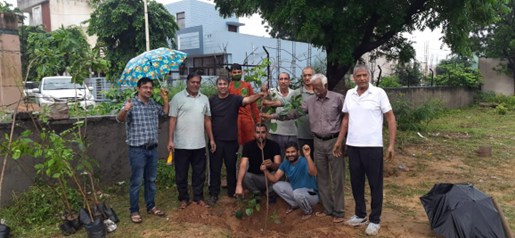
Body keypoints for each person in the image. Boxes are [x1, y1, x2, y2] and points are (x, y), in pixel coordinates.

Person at [261, 73, 346, 223]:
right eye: (313, 89)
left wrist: (343, 142)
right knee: (322, 177)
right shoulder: (310, 101)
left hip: (334, 142)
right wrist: (272, 117)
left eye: (318, 88)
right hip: (317, 142)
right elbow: (294, 113)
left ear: (326, 86)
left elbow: (347, 119)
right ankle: (328, 208)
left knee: (338, 177)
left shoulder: (338, 99)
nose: (316, 91)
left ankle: (339, 211)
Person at [332, 64, 397, 236]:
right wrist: (340, 141)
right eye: (358, 75)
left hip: (373, 147)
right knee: (356, 182)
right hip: (353, 147)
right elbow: (346, 119)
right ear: (354, 78)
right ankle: (360, 215)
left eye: (364, 75)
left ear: (369, 76)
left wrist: (391, 144)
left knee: (375, 184)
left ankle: (375, 219)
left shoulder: (379, 93)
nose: (362, 78)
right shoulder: (350, 94)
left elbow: (390, 118)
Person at [116, 77, 169, 223]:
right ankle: (134, 211)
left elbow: (164, 113)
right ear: (138, 89)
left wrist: (165, 99)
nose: (148, 90)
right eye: (145, 87)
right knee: (136, 182)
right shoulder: (131, 104)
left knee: (150, 180)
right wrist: (125, 110)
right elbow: (120, 119)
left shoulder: (153, 105)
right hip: (137, 150)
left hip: (152, 150)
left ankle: (151, 206)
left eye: (151, 88)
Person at [207, 77, 267, 206]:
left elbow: (248, 99)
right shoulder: (211, 101)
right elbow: (206, 118)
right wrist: (211, 139)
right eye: (220, 84)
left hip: (231, 140)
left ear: (229, 86)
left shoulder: (235, 99)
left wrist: (259, 95)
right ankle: (213, 194)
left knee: (231, 167)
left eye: (224, 84)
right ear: (217, 87)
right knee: (215, 168)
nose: (222, 86)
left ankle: (232, 191)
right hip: (216, 141)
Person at [168, 73, 216, 209]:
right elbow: (172, 119)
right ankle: (183, 199)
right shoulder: (178, 98)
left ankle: (198, 198)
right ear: (187, 82)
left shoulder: (204, 99)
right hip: (181, 144)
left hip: (199, 144)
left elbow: (207, 120)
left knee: (199, 173)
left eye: (198, 82)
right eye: (192, 82)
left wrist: (211, 139)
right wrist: (170, 140)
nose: (195, 84)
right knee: (181, 174)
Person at [261, 67, 316, 159]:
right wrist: (266, 96)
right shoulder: (276, 92)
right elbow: (282, 101)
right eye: (305, 75)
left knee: (311, 161)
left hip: (305, 132)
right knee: (282, 157)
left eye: (309, 75)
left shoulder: (315, 92)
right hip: (286, 132)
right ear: (278, 81)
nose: (307, 78)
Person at [262, 142, 318, 221]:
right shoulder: (285, 163)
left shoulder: (304, 160)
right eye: (288, 152)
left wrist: (308, 156)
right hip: (297, 192)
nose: (290, 154)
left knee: (297, 193)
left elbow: (314, 173)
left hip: (311, 194)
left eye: (293, 152)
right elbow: (274, 178)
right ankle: (295, 204)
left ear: (298, 152)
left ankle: (308, 211)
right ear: (285, 153)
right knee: (276, 186)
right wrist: (265, 171)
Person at [235, 123, 281, 204]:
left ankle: (269, 194)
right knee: (245, 176)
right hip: (255, 177)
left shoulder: (274, 145)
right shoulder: (248, 146)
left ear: (267, 133)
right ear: (254, 134)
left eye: (263, 132)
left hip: (270, 177)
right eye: (258, 132)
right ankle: (257, 194)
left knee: (280, 173)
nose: (260, 135)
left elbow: (278, 166)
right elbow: (243, 165)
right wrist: (239, 185)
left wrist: (271, 165)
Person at [228, 63, 261, 145]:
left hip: (247, 119)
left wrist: (258, 120)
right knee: (234, 144)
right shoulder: (228, 87)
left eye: (238, 72)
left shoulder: (247, 85)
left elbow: (254, 104)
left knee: (250, 143)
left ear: (242, 73)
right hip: (233, 120)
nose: (236, 74)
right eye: (234, 72)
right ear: (231, 73)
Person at [268, 72, 297, 160]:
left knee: (292, 159)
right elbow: (264, 97)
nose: (283, 81)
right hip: (277, 132)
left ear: (289, 81)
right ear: (278, 81)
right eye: (281, 79)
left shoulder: (295, 93)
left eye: (286, 79)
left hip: (293, 132)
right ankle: (279, 174)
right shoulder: (272, 92)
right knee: (277, 158)